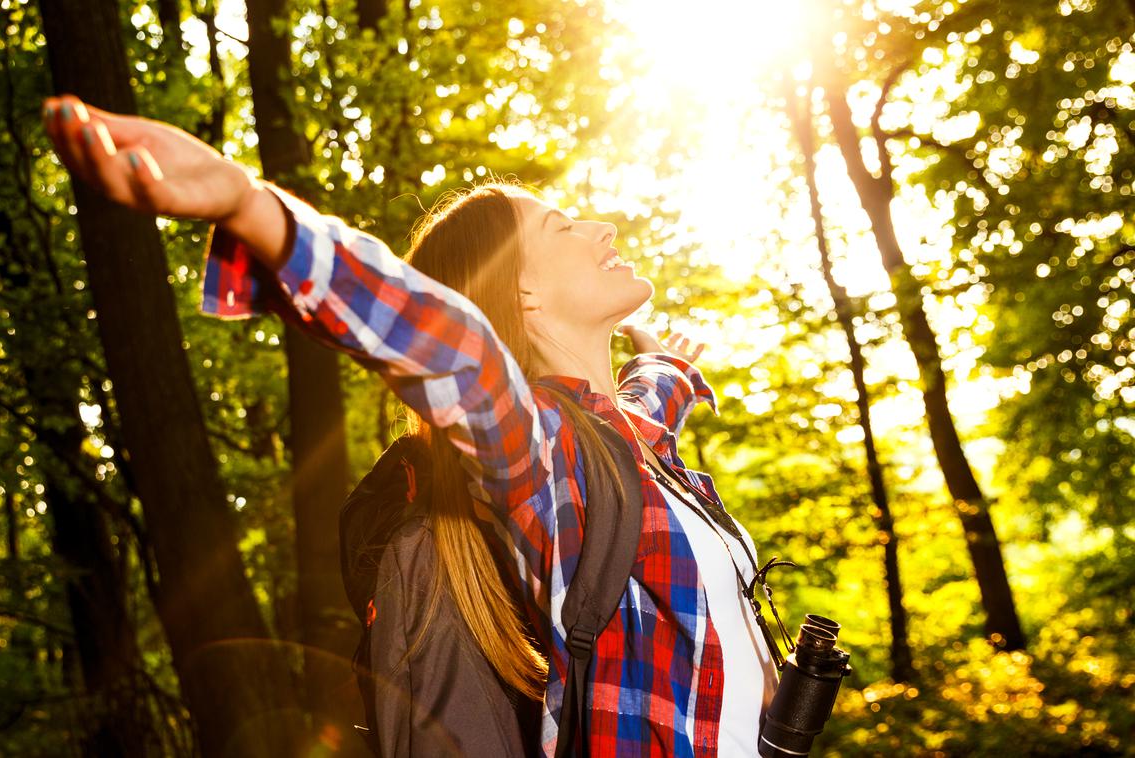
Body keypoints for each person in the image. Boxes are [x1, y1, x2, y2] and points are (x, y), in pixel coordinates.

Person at [42, 94, 780, 757]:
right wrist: (251, 210)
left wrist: (673, 370)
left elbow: (649, 400)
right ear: (520, 292)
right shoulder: (547, 458)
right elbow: (450, 348)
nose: (602, 227)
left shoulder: (633, 441)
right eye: (561, 225)